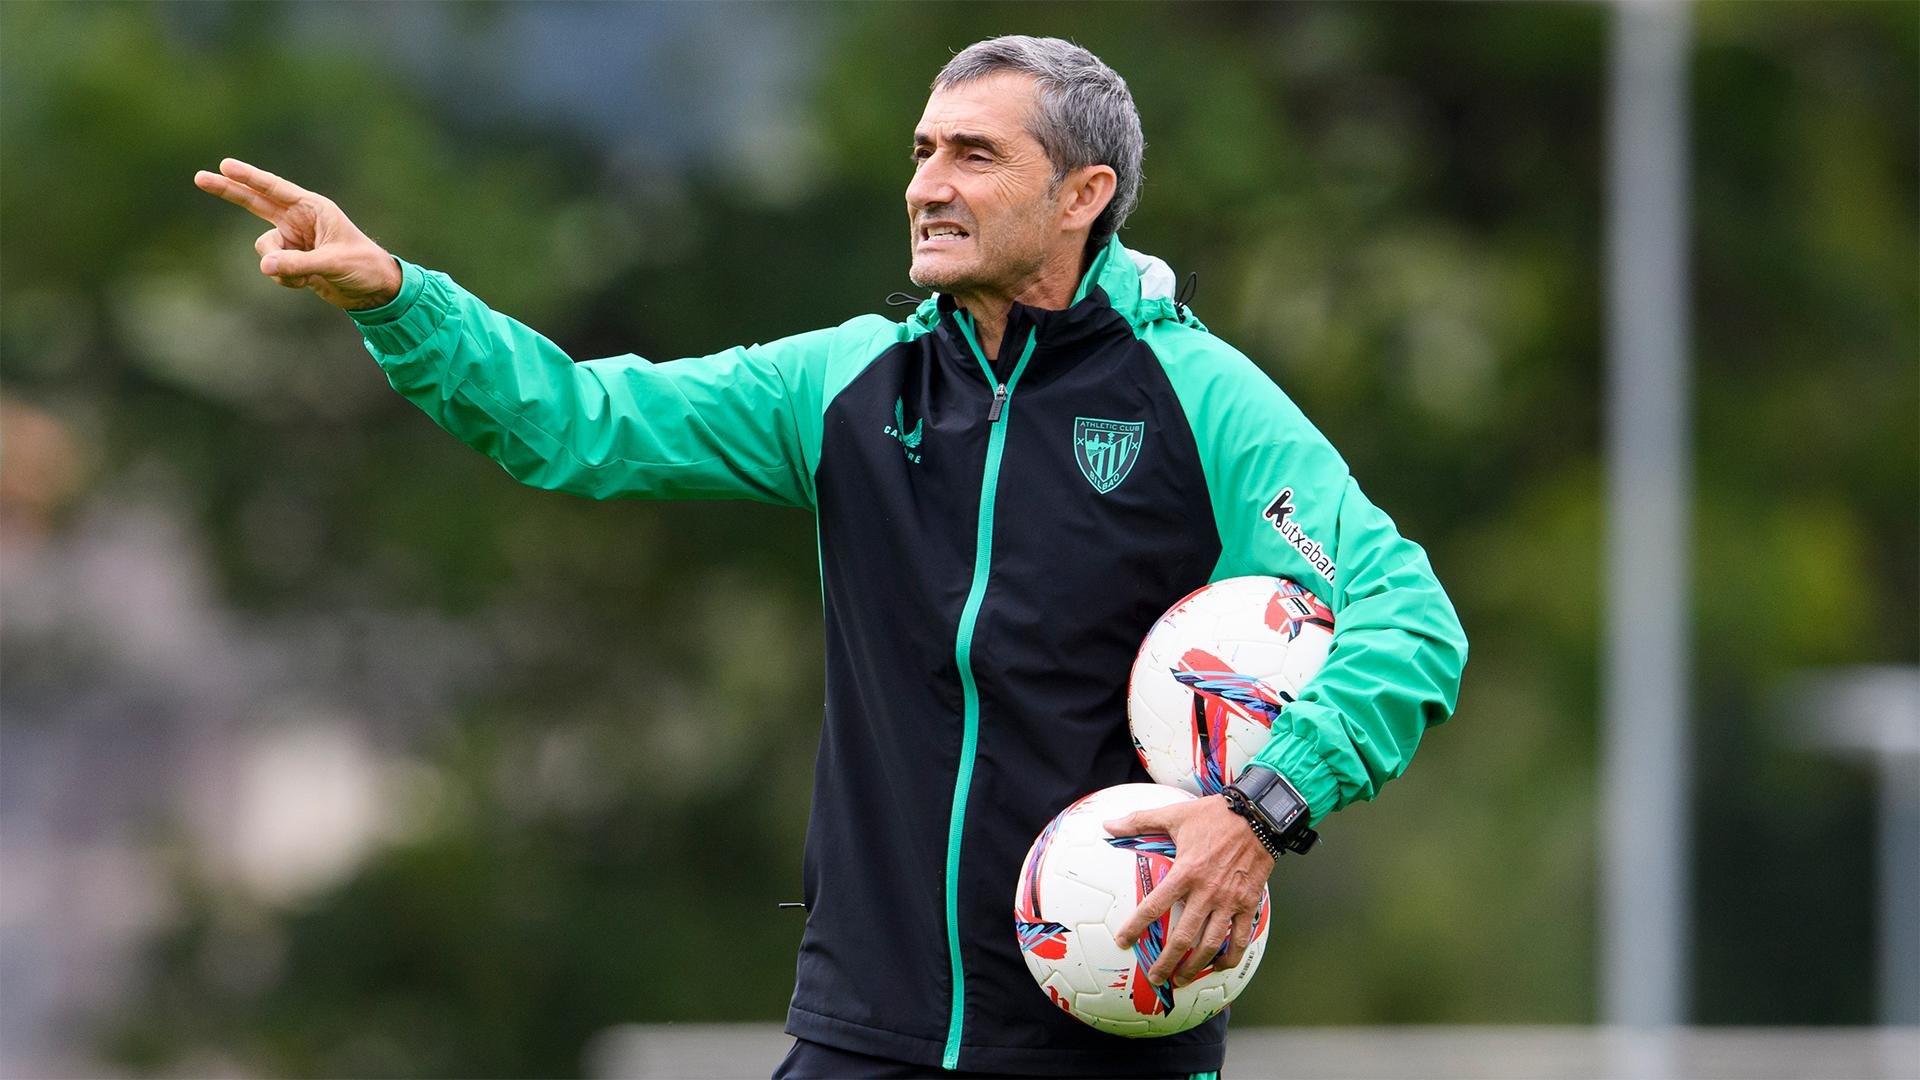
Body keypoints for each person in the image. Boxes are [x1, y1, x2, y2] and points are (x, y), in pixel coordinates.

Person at [196, 35, 1465, 1080]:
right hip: (864, 1030)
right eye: (923, 152)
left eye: (975, 155)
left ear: (1083, 197)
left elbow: (1408, 621)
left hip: (1108, 1033)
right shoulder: (848, 383)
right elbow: (579, 423)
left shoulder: (1201, 400)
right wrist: (397, 298)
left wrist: (1259, 813)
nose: (929, 185)